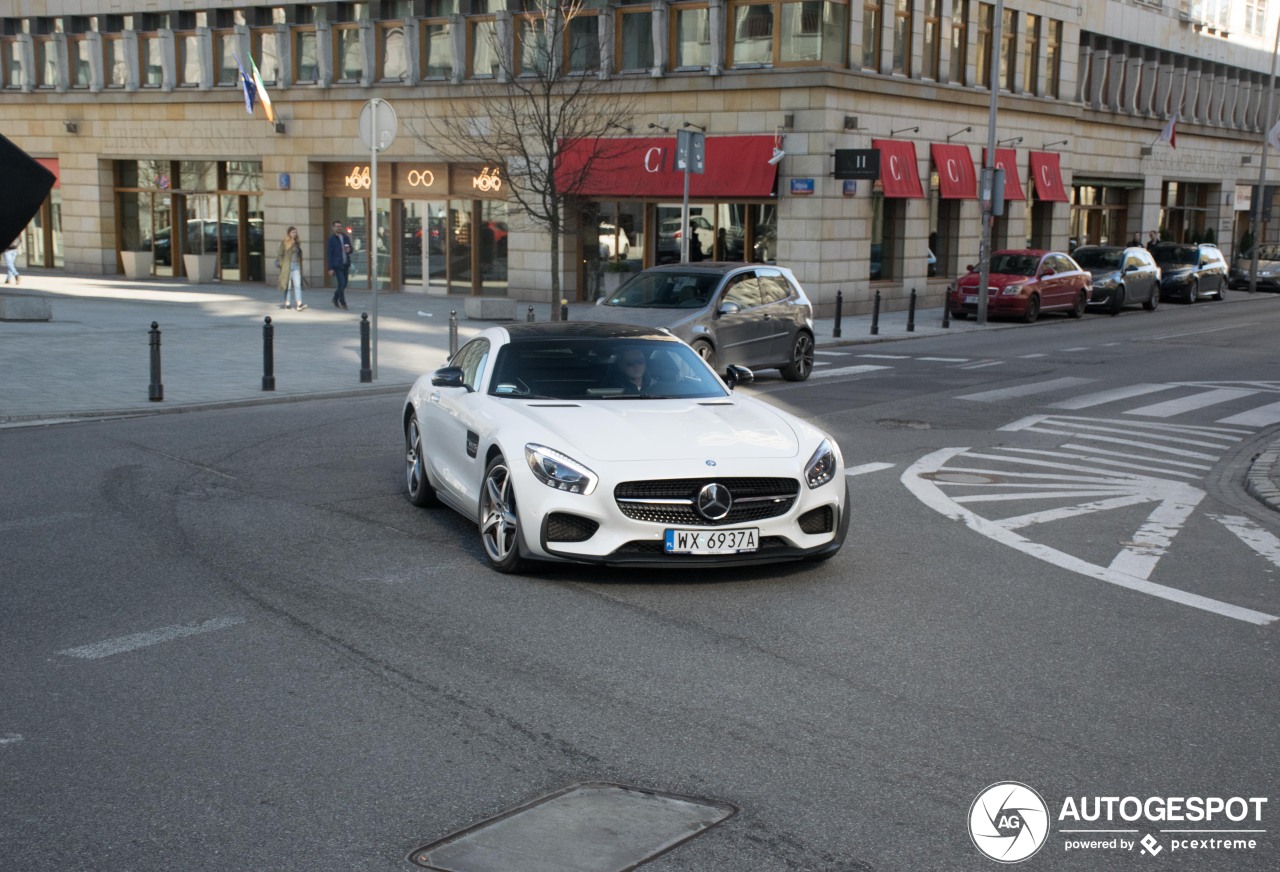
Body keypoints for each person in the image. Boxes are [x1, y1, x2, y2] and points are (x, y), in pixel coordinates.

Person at [276, 226, 306, 310]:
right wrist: (282, 264)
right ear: (289, 233)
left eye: (295, 232)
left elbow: (299, 255)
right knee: (288, 286)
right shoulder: (285, 243)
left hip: (296, 266)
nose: (294, 234)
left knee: (297, 285)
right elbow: (280, 254)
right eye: (293, 232)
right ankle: (287, 303)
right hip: (287, 266)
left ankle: (299, 304)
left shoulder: (297, 243)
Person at [326, 220, 352, 309]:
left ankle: (335, 298)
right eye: (337, 226)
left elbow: (350, 249)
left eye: (340, 226)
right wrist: (330, 268)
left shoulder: (345, 237)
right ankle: (343, 302)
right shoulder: (331, 239)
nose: (339, 228)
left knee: (344, 284)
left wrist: (349, 249)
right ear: (333, 228)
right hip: (337, 264)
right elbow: (329, 254)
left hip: (345, 263)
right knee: (341, 283)